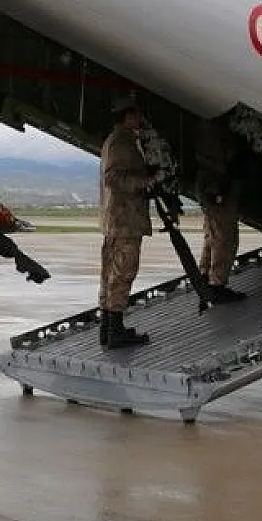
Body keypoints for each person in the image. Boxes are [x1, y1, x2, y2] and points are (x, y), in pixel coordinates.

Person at [98, 96, 153, 347]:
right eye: (137, 114)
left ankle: (108, 329)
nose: (140, 118)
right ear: (128, 116)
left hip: (118, 219)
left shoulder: (120, 139)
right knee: (123, 272)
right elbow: (113, 178)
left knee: (111, 274)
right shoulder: (121, 141)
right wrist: (146, 182)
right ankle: (115, 331)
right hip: (125, 219)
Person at [193, 116, 247, 304]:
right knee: (224, 237)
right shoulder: (215, 129)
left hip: (212, 185)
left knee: (213, 234)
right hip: (218, 186)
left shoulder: (206, 127)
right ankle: (216, 285)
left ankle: (206, 276)